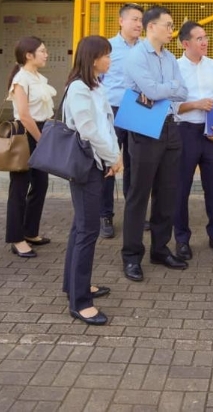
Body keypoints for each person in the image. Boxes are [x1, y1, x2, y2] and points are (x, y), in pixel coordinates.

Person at [120, 5, 188, 281]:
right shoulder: (136, 56)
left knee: (167, 193)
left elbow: (183, 92)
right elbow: (151, 90)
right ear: (151, 27)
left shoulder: (170, 57)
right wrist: (167, 89)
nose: (171, 30)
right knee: (139, 194)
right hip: (144, 127)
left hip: (170, 126)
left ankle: (160, 249)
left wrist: (163, 91)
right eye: (168, 25)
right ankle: (131, 256)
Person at [61, 35, 123, 326]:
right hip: (87, 165)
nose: (110, 60)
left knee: (80, 227)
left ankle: (74, 285)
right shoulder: (78, 88)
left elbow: (106, 125)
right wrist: (112, 157)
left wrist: (113, 156)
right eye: (106, 55)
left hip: (98, 162)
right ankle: (80, 302)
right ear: (93, 58)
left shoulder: (96, 85)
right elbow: (88, 130)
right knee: (87, 231)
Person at [173, 21, 213, 259]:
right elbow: (171, 106)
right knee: (180, 189)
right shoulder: (175, 68)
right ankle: (181, 239)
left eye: (205, 37)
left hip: (210, 132)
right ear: (186, 43)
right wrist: (196, 104)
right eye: (199, 38)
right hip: (184, 132)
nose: (205, 42)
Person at [6, 36, 57, 258]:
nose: (46, 54)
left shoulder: (39, 77)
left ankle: (30, 231)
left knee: (40, 184)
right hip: (27, 133)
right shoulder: (21, 79)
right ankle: (17, 238)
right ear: (29, 55)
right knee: (19, 188)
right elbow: (25, 115)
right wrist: (41, 139)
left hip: (41, 131)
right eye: (42, 51)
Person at [100, 3, 144, 239]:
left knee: (135, 164)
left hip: (137, 109)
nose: (139, 24)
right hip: (113, 109)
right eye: (134, 19)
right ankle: (105, 214)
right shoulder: (107, 48)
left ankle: (134, 214)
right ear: (121, 21)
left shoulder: (146, 48)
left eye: (141, 20)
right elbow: (96, 79)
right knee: (109, 162)